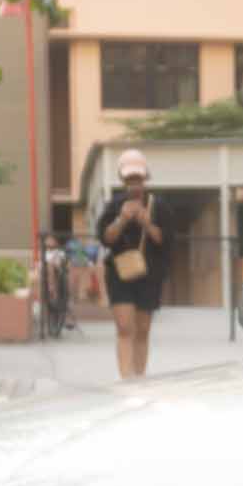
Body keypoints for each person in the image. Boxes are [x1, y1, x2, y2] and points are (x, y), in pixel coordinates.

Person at [95, 148, 171, 379]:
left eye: (138, 179)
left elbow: (166, 241)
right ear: (122, 179)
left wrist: (147, 223)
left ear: (145, 177)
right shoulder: (115, 205)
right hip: (120, 273)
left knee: (142, 330)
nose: (134, 184)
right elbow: (105, 238)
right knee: (125, 327)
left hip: (150, 274)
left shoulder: (159, 206)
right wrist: (122, 219)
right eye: (130, 179)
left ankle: (139, 378)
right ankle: (126, 380)